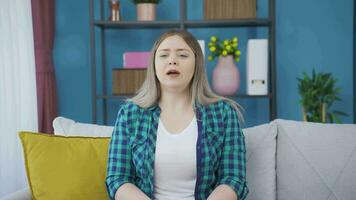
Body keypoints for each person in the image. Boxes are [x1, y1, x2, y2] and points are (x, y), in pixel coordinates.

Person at [105, 29, 249, 200]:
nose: (172, 61)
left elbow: (233, 179)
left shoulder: (224, 113)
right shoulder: (130, 114)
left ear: (197, 64)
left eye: (182, 55)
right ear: (154, 65)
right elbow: (117, 179)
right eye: (164, 55)